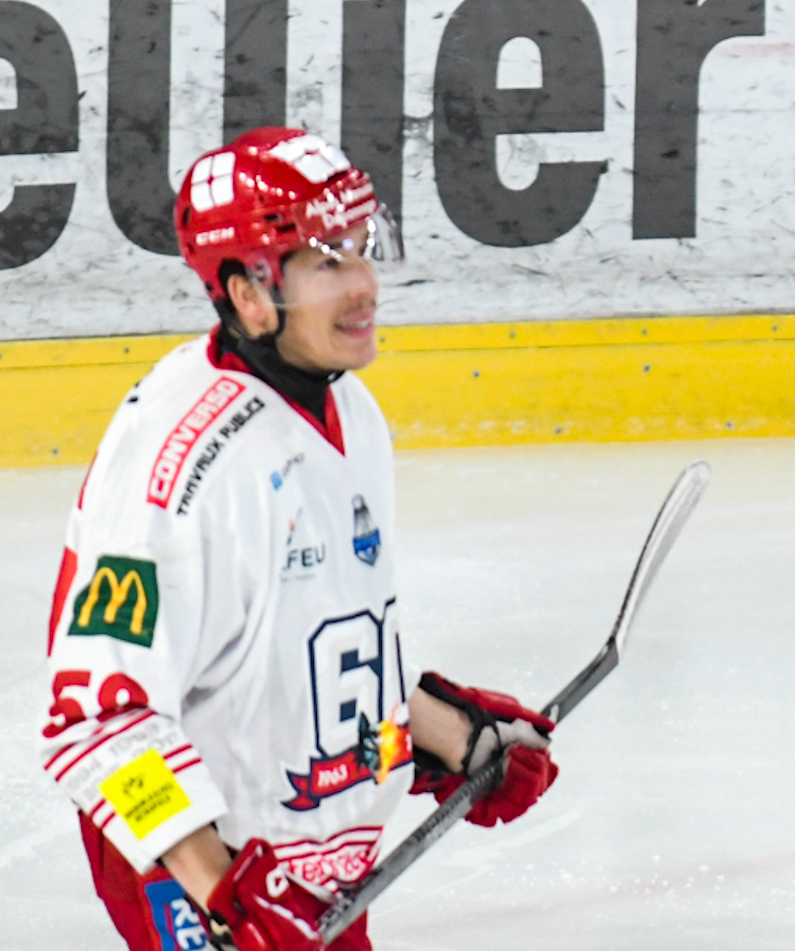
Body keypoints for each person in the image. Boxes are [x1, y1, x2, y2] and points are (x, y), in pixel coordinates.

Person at [41, 128, 558, 951]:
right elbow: (99, 725)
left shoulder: (350, 411)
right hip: (205, 875)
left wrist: (454, 738)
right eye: (328, 263)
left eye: (361, 249)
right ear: (249, 293)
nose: (365, 287)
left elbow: (297, 657)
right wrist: (224, 891)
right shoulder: (178, 469)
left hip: (307, 871)